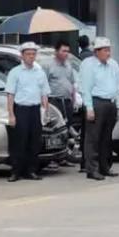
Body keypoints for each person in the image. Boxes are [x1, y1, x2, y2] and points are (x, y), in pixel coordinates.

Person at [5, 41, 51, 182]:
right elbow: (10, 95)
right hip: (21, 109)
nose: (31, 57)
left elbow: (44, 93)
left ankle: (31, 170)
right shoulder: (15, 72)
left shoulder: (40, 73)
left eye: (33, 54)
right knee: (19, 141)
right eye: (28, 54)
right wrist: (11, 114)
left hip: (35, 110)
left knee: (34, 141)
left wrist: (46, 110)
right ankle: (16, 171)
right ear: (22, 56)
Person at [79, 36, 119, 180]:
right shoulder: (88, 65)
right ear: (96, 51)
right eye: (105, 50)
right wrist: (89, 107)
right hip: (96, 102)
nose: (108, 53)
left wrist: (118, 105)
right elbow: (85, 87)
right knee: (93, 138)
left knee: (106, 138)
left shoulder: (113, 64)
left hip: (110, 102)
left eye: (109, 50)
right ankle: (91, 169)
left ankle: (104, 167)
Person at [45, 40, 78, 168]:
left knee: (66, 130)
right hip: (55, 101)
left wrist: (73, 99)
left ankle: (63, 157)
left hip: (67, 101)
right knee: (54, 130)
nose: (66, 54)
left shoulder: (68, 65)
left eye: (67, 51)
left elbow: (72, 84)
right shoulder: (49, 65)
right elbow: (44, 85)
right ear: (56, 51)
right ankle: (52, 159)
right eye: (63, 51)